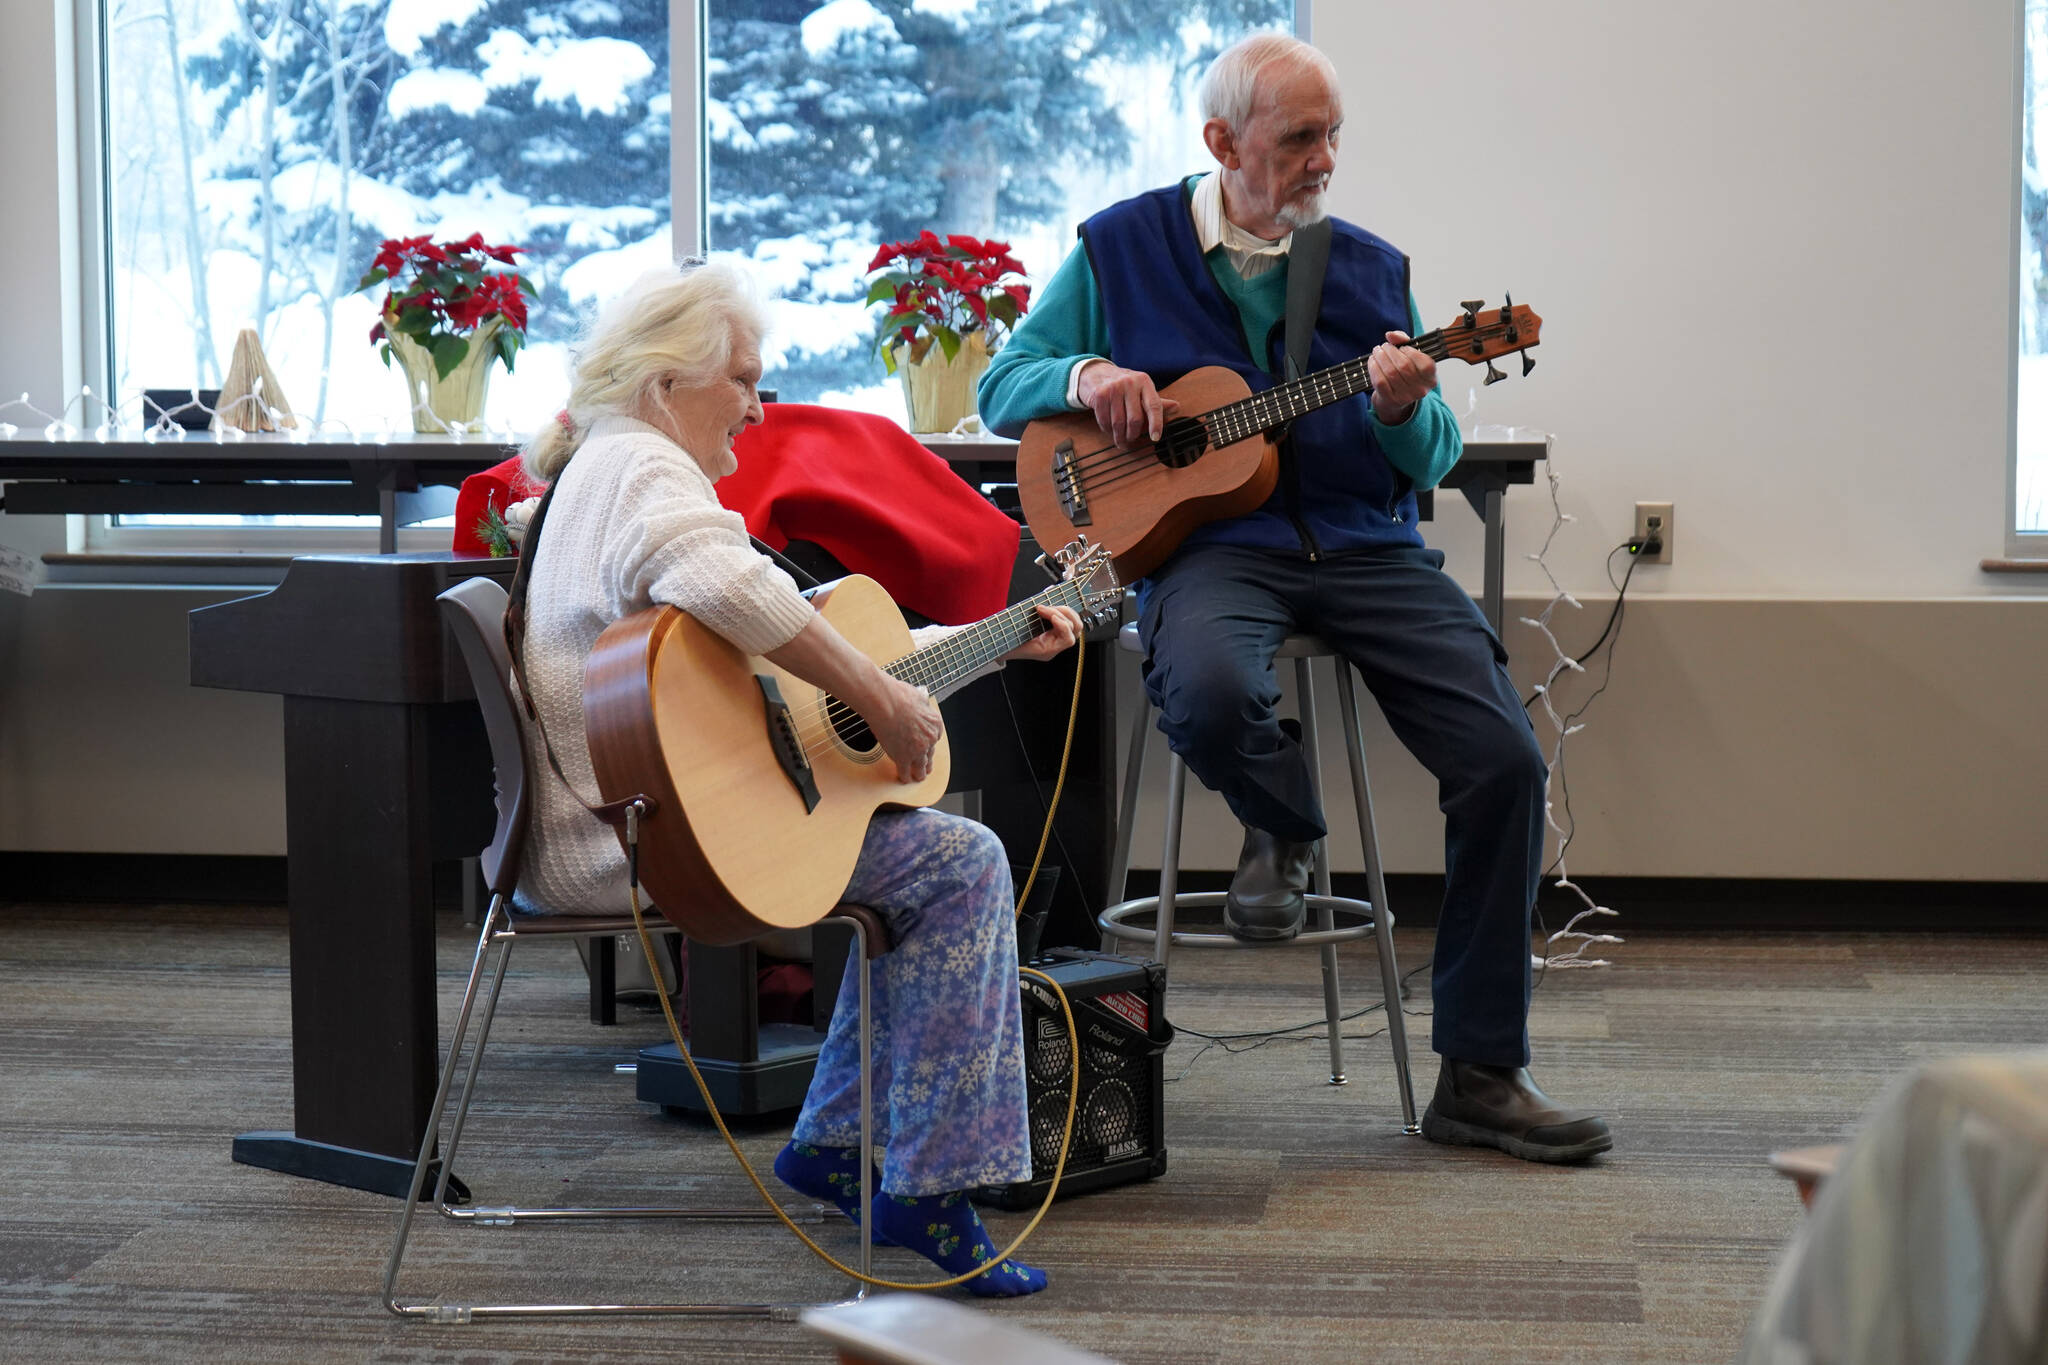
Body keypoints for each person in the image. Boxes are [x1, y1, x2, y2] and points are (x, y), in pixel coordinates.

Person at [978, 33, 1610, 1163]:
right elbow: (999, 384)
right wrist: (1088, 376)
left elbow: (1431, 457)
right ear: (1221, 143)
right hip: (1215, 546)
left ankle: (1477, 1071)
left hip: (1363, 545)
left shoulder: (1368, 267)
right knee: (1214, 693)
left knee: (1504, 760)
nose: (1323, 159)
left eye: (1331, 136)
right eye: (1297, 138)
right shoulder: (1120, 247)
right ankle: (1286, 822)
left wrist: (1399, 407)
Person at [512, 258, 1084, 1293]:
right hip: (642, 846)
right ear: (664, 384)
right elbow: (732, 585)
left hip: (643, 818)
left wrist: (993, 643)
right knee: (959, 863)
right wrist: (873, 695)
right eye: (741, 379)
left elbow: (780, 645)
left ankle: (839, 1140)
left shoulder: (600, 465)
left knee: (930, 863)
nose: (756, 406)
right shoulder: (644, 468)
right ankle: (923, 1185)